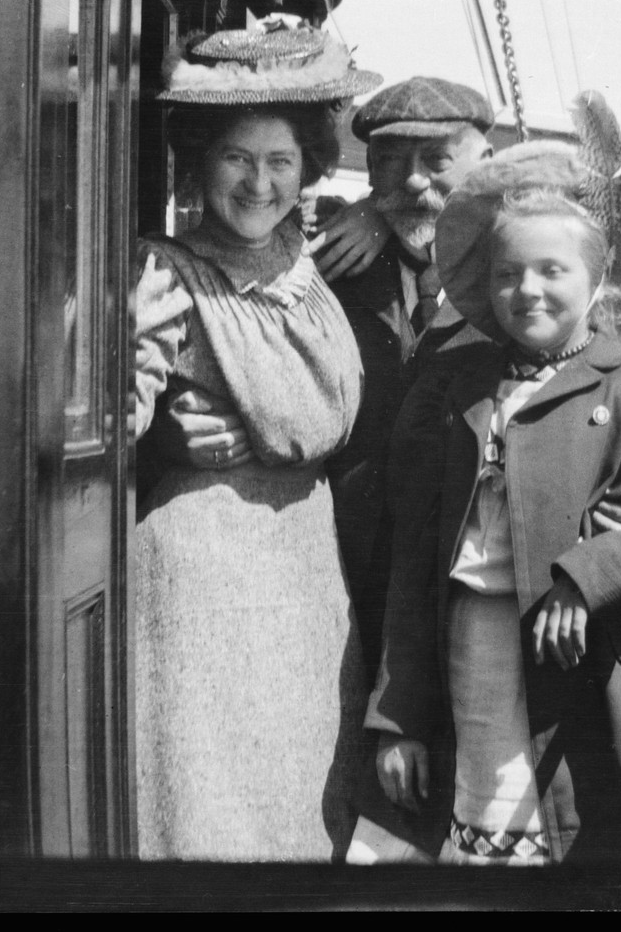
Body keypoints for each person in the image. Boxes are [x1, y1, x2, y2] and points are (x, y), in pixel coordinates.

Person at [365, 131, 621, 865]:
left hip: (580, 687)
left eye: (552, 269)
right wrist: (398, 714)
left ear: (599, 283)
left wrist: (595, 566)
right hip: (468, 664)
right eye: (508, 273)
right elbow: (415, 562)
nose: (527, 290)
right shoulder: (457, 387)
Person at [132, 23, 392, 861]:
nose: (260, 182)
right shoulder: (164, 273)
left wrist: (384, 212)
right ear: (203, 163)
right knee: (207, 809)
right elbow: (108, 421)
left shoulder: (311, 266)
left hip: (305, 572)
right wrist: (155, 422)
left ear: (309, 166)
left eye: (281, 161)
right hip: (203, 573)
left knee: (300, 804)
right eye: (238, 158)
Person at [153, 75, 501, 681]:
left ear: (486, 165)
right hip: (328, 586)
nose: (415, 182)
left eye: (438, 161)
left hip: (467, 593)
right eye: (390, 164)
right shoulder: (322, 266)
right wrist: (166, 430)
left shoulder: (521, 288)